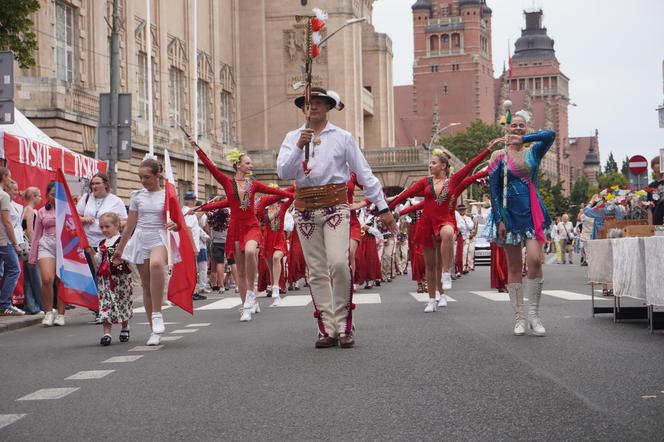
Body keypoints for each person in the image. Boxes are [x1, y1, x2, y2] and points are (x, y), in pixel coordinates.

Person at [277, 87, 396, 348]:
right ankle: (327, 329)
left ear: (329, 107)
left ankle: (344, 324)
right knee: (317, 270)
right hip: (305, 210)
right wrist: (299, 146)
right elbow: (284, 172)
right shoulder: (292, 137)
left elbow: (364, 173)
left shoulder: (343, 138)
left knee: (338, 263)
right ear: (303, 108)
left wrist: (383, 209)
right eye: (310, 103)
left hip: (335, 207)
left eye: (320, 102)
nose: (314, 107)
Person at [388, 142, 500, 312]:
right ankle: (432, 299)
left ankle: (447, 274)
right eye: (430, 163)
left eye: (433, 163)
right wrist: (389, 208)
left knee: (447, 235)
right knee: (431, 265)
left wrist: (490, 153)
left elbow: (471, 169)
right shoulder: (425, 183)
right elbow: (408, 194)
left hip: (445, 220)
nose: (430, 165)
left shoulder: (453, 182)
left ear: (443, 166)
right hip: (427, 224)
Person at [188, 142, 293, 322]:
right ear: (238, 165)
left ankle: (251, 294)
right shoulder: (227, 182)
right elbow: (211, 169)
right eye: (247, 163)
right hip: (236, 228)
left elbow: (275, 191)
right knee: (241, 272)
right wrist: (196, 148)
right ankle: (246, 306)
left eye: (251, 163)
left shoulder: (254, 184)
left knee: (252, 251)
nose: (250, 166)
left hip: (251, 226)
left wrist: (297, 192)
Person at [485, 113, 556, 337]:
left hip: (533, 211)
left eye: (521, 126)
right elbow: (494, 190)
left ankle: (534, 316)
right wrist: (499, 219)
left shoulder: (533, 150)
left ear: (526, 129)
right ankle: (519, 318)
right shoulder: (498, 155)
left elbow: (550, 135)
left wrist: (523, 141)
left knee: (535, 259)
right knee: (514, 267)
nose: (517, 128)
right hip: (509, 213)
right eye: (513, 125)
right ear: (506, 128)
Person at [114, 157, 178, 346]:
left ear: (158, 175)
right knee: (147, 286)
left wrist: (175, 224)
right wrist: (120, 249)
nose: (143, 181)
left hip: (159, 236)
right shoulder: (137, 196)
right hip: (141, 238)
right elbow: (129, 226)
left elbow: (178, 221)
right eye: (140, 177)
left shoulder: (168, 194)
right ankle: (154, 330)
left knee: (157, 265)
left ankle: (158, 314)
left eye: (147, 177)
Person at [30, 182, 65, 325]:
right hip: (46, 245)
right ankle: (49, 312)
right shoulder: (41, 212)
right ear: (47, 195)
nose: (54, 197)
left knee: (61, 280)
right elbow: (36, 234)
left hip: (64, 247)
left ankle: (61, 314)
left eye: (58, 195)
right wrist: (32, 256)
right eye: (52, 194)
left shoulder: (67, 209)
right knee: (46, 279)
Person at [96, 212, 133, 346]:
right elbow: (99, 260)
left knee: (122, 302)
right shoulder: (101, 244)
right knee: (106, 304)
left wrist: (122, 258)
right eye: (102, 227)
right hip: (105, 279)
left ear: (117, 225)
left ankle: (125, 327)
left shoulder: (122, 241)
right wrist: (93, 254)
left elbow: (129, 256)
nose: (104, 230)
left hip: (121, 278)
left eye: (107, 226)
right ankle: (107, 333)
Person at [255, 188, 294, 306]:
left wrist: (292, 188)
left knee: (277, 258)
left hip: (279, 239)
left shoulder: (283, 208)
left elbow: (292, 197)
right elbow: (257, 212)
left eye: (275, 198)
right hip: (267, 240)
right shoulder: (264, 210)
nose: (273, 201)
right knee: (271, 269)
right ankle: (275, 292)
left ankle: (276, 288)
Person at [77, 173, 128, 250]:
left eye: (97, 183)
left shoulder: (116, 201)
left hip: (108, 243)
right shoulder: (86, 198)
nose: (94, 186)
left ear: (106, 185)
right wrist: (84, 219)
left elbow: (125, 221)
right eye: (92, 184)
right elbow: (74, 217)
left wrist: (110, 225)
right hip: (88, 242)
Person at [0, 170, 25, 317]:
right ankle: (4, 304)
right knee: (14, 269)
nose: (10, 179)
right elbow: (7, 222)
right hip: (3, 240)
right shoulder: (3, 196)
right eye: (9, 176)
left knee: (2, 271)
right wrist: (15, 243)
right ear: (3, 177)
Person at [20, 187, 44, 314]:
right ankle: (40, 305)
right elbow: (29, 230)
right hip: (30, 247)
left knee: (30, 278)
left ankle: (31, 305)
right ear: (33, 197)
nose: (41, 198)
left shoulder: (29, 210)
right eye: (39, 195)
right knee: (35, 277)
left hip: (29, 246)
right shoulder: (29, 210)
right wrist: (35, 246)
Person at [182, 192, 208, 301]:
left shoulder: (184, 211)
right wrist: (194, 247)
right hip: (190, 246)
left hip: (185, 245)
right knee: (192, 270)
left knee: (191, 270)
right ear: (193, 201)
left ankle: (192, 290)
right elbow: (188, 230)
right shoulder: (189, 213)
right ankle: (192, 291)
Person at [647, 156, 664, 226]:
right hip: (657, 222)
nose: (660, 165)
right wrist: (650, 226)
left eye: (661, 163)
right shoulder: (651, 186)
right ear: (653, 168)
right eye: (657, 163)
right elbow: (649, 208)